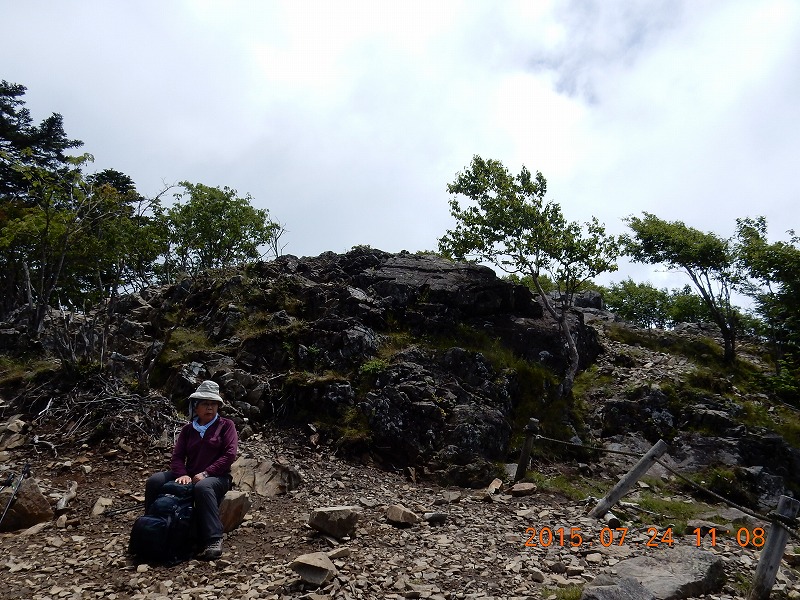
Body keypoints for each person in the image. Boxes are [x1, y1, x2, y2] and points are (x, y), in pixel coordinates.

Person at [145, 380, 238, 560]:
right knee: (154, 481)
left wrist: (206, 473)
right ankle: (153, 525)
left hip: (217, 477)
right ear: (196, 407)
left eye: (213, 404)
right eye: (205, 403)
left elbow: (230, 454)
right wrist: (182, 475)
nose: (210, 407)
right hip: (189, 473)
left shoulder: (226, 426)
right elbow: (177, 456)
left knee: (202, 488)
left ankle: (214, 538)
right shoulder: (188, 429)